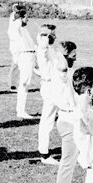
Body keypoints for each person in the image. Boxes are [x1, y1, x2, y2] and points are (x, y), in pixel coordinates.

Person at [50, 41, 82, 183]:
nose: (75, 58)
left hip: (73, 118)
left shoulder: (67, 71)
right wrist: (60, 51)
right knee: (68, 163)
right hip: (69, 120)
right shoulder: (60, 71)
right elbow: (62, 64)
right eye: (72, 55)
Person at [34, 24, 60, 166]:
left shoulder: (50, 48)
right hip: (50, 87)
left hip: (54, 85)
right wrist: (44, 35)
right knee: (47, 120)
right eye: (52, 35)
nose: (55, 37)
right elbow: (42, 49)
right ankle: (44, 153)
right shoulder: (43, 48)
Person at [8, 4, 38, 119]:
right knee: (24, 85)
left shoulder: (23, 29)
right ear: (21, 18)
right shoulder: (16, 28)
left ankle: (21, 110)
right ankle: (21, 111)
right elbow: (13, 22)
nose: (28, 19)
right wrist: (17, 14)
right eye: (26, 17)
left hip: (30, 56)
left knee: (25, 84)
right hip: (25, 57)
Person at [7, 5, 22, 91]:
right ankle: (12, 84)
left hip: (19, 44)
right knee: (15, 63)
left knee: (19, 64)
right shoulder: (14, 16)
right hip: (15, 44)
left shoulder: (17, 18)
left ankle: (16, 83)